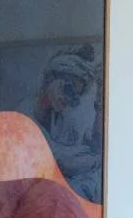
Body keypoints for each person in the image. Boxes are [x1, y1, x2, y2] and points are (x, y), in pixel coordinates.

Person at [26, 43, 104, 203]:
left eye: (76, 95)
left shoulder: (61, 120)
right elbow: (57, 159)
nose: (69, 100)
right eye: (68, 89)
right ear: (50, 79)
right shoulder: (23, 116)